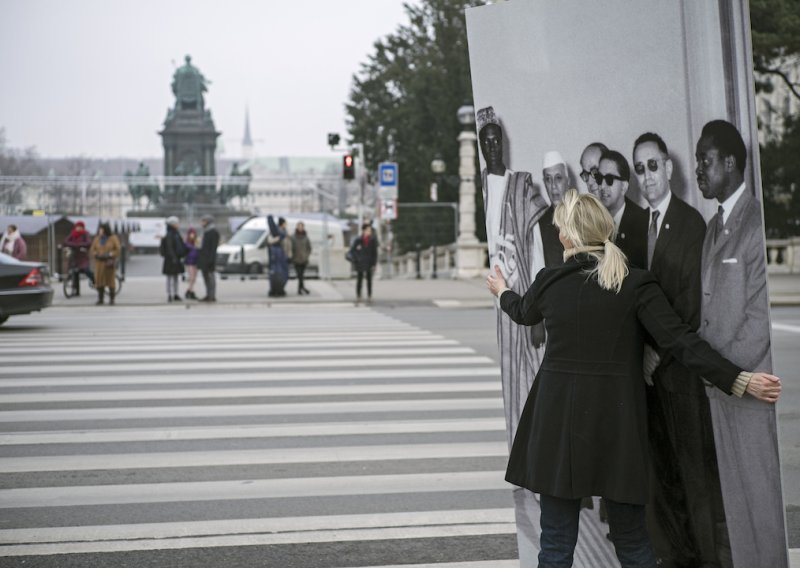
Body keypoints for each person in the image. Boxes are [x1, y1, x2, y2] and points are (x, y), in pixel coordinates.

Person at [486, 190, 781, 568]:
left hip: (558, 425)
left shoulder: (549, 282)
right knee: (633, 542)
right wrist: (739, 380)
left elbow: (523, 312)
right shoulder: (635, 283)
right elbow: (682, 342)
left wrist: (502, 292)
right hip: (617, 428)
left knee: (556, 545)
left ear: (567, 236)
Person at [695, 119, 789, 567]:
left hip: (751, 388)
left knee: (763, 506)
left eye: (705, 159)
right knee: (736, 506)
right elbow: (709, 312)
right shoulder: (714, 227)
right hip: (723, 388)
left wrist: (722, 371)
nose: (698, 169)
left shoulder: (756, 221)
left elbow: (758, 319)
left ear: (730, 163)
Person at [631, 132, 719, 566]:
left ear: (668, 168)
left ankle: (705, 559)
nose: (646, 176)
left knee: (693, 478)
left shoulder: (690, 224)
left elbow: (689, 303)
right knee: (661, 480)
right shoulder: (633, 228)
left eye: (652, 165)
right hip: (646, 379)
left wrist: (656, 355)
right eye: (639, 168)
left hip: (678, 372)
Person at [476, 105, 549, 563]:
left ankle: (540, 467)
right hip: (500, 301)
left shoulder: (522, 186)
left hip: (525, 296)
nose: (491, 147)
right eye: (484, 142)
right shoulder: (481, 188)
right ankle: (524, 468)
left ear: (504, 141)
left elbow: (538, 247)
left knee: (534, 383)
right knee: (511, 389)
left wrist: (539, 305)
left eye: (495, 139)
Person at [596, 149, 648, 268]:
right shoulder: (593, 222)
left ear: (624, 187)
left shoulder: (643, 222)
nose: (602, 186)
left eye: (609, 179)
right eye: (599, 178)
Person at [540, 151, 569, 267]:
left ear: (568, 180)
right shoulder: (540, 224)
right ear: (544, 183)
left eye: (558, 178)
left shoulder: (583, 217)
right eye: (548, 179)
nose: (553, 186)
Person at [89, 222, 121, 305]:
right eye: (100, 229)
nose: (100, 231)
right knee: (99, 281)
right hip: (99, 263)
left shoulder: (113, 238)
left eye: (101, 229)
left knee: (110, 281)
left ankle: (112, 299)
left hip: (108, 263)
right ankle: (100, 299)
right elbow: (92, 249)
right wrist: (96, 254)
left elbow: (117, 249)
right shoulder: (97, 239)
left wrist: (110, 254)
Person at [348, 222, 378, 303]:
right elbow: (352, 251)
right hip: (360, 262)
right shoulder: (358, 240)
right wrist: (356, 258)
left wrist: (374, 264)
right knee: (360, 279)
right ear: (363, 231)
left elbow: (374, 253)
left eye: (370, 231)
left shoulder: (372, 240)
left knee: (369, 279)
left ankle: (369, 295)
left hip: (369, 262)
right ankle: (358, 295)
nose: (369, 232)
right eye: (368, 230)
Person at [63, 220, 94, 295]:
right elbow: (66, 241)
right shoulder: (72, 234)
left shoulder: (85, 234)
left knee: (86, 270)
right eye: (77, 227)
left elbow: (88, 243)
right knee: (74, 272)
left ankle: (94, 280)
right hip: (74, 256)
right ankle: (76, 291)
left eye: (80, 227)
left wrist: (79, 244)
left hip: (83, 257)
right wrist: (74, 244)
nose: (78, 228)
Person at [160, 216, 186, 302]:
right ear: (172, 224)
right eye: (176, 223)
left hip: (175, 258)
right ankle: (170, 294)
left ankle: (175, 293)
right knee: (170, 277)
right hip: (171, 259)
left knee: (175, 277)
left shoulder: (175, 233)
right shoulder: (170, 234)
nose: (178, 225)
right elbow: (169, 247)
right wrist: (174, 257)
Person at [266, 216, 291, 297]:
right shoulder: (276, 233)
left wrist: (289, 255)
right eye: (285, 223)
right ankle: (275, 289)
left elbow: (288, 245)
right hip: (278, 256)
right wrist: (277, 239)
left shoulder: (285, 232)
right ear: (282, 223)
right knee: (276, 273)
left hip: (284, 256)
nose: (286, 225)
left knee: (284, 273)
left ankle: (280, 289)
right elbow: (269, 241)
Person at [197, 215, 219, 302]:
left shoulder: (213, 232)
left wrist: (211, 259)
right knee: (205, 277)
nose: (202, 223)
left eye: (204, 221)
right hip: (204, 258)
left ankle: (212, 295)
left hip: (210, 259)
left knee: (211, 278)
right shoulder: (205, 232)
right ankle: (208, 294)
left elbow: (213, 248)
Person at [291, 221, 312, 295]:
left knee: (301, 275)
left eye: (301, 226)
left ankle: (300, 289)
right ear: (297, 227)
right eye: (299, 226)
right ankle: (302, 288)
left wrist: (306, 255)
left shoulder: (306, 237)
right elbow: (291, 248)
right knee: (299, 275)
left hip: (304, 259)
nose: (300, 228)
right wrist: (292, 256)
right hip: (296, 259)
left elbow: (309, 248)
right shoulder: (293, 237)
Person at [183, 227, 200, 300]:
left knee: (194, 278)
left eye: (193, 233)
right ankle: (190, 291)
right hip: (189, 262)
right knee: (191, 277)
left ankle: (190, 290)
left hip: (195, 262)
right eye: (191, 234)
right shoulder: (187, 242)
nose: (192, 235)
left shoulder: (196, 242)